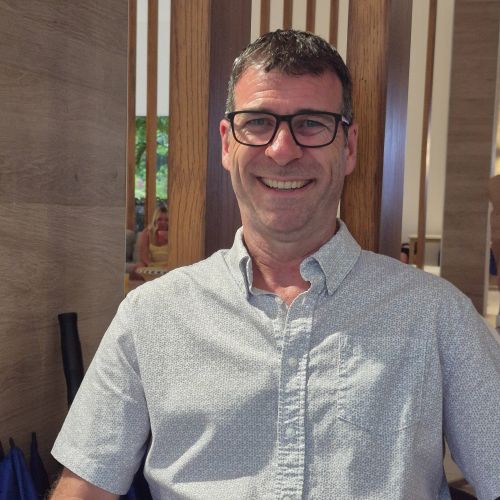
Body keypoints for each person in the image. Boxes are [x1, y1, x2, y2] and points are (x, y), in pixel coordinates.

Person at [50, 30, 500, 499]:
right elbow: (85, 487)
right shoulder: (151, 316)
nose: (282, 150)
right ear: (227, 144)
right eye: (258, 122)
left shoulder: (435, 315)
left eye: (311, 123)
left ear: (348, 147)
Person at [138, 204, 169, 268]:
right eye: (159, 219)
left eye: (166, 220)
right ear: (155, 220)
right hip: (152, 266)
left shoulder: (174, 233)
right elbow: (143, 257)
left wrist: (168, 238)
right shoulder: (147, 232)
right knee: (138, 267)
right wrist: (153, 267)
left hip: (170, 267)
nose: (163, 222)